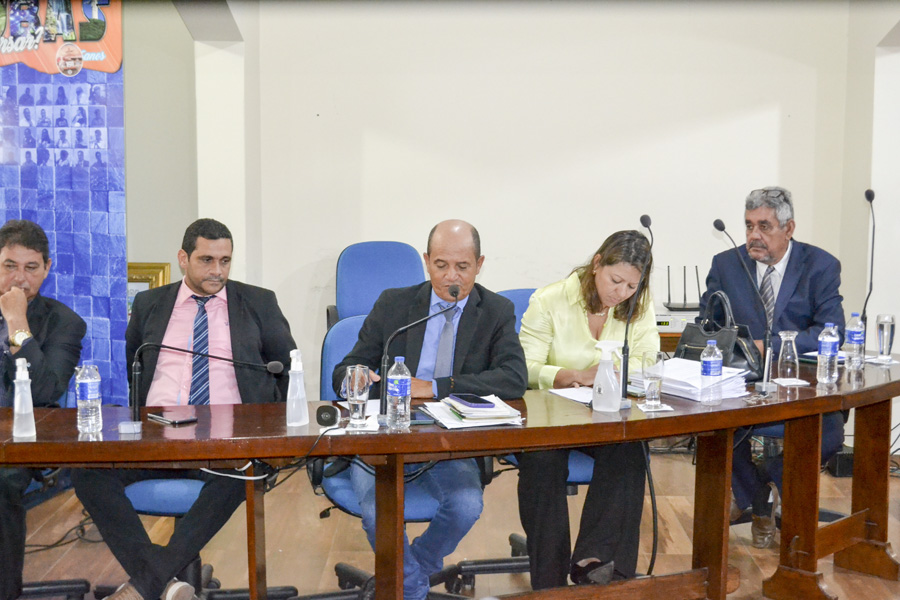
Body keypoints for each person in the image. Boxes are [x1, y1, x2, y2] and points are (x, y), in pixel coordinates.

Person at [72, 219, 295, 600]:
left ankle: (146, 585)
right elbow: (135, 366)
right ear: (183, 258)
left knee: (241, 474)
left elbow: (286, 369)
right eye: (207, 260)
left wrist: (268, 433)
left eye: (225, 261)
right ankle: (168, 584)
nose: (217, 270)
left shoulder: (259, 302)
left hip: (227, 441)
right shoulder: (150, 304)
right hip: (156, 436)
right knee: (88, 472)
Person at [333, 219, 527, 600]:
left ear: (480, 264)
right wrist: (356, 379)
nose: (451, 276)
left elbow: (513, 377)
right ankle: (412, 586)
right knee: (378, 513)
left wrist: (437, 387)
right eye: (441, 265)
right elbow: (347, 367)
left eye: (462, 266)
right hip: (385, 436)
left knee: (466, 505)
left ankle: (409, 574)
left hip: (448, 442)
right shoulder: (394, 304)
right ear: (426, 261)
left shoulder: (496, 310)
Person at [699, 186, 845, 548]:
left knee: (831, 434)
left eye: (764, 226)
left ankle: (766, 478)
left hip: (801, 385)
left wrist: (773, 346)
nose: (754, 235)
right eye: (749, 225)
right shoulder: (727, 265)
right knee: (712, 427)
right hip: (744, 386)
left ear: (789, 228)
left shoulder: (820, 265)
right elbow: (707, 327)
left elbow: (832, 331)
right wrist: (737, 348)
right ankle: (757, 499)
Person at [516, 230, 658, 589]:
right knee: (542, 461)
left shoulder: (637, 306)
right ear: (597, 264)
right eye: (615, 280)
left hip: (604, 416)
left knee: (631, 449)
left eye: (631, 286)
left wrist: (615, 375)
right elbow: (524, 367)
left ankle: (596, 565)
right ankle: (549, 584)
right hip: (550, 418)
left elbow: (647, 361)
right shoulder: (549, 300)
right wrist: (569, 375)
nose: (621, 293)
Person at [0, 220, 86, 600]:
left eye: (31, 267)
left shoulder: (64, 323)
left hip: (23, 443)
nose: (20, 278)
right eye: (9, 266)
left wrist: (17, 323)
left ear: (47, 268)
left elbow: (46, 391)